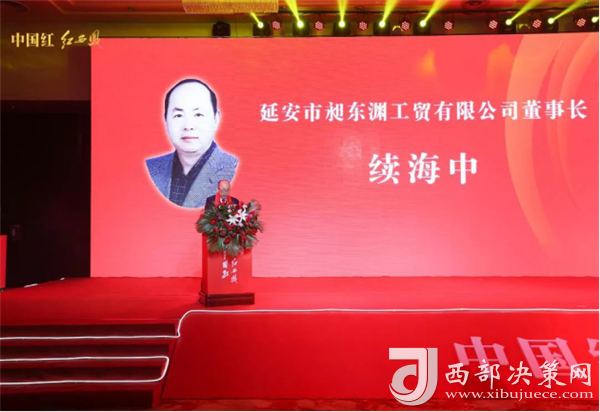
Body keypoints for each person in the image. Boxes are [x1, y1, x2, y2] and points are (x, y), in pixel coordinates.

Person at [146, 78, 238, 208]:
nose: (188, 126)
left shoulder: (233, 168)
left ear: (216, 119)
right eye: (178, 115)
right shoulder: (150, 168)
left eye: (198, 115)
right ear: (165, 120)